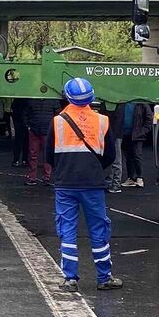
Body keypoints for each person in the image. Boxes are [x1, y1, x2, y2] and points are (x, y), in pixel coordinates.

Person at [46, 78, 122, 292]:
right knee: (99, 228)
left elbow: (49, 155)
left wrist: (63, 169)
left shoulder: (58, 121)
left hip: (65, 184)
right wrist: (94, 169)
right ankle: (104, 277)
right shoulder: (102, 121)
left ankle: (70, 278)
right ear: (92, 97)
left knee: (67, 228)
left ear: (67, 97)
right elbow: (110, 156)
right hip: (93, 184)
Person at [24, 98, 62, 185]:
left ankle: (32, 177)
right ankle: (46, 178)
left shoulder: (31, 100)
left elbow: (25, 113)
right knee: (46, 155)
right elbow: (58, 113)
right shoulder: (53, 100)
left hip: (35, 129)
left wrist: (28, 125)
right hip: (45, 130)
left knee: (33, 155)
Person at [121, 102, 152, 188]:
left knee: (137, 155)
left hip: (137, 134)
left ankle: (139, 177)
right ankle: (131, 178)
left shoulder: (141, 103)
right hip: (124, 134)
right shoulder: (122, 102)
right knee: (128, 156)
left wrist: (142, 132)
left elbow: (149, 119)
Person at [101, 104, 125, 194]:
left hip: (114, 134)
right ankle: (112, 181)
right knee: (112, 158)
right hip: (111, 134)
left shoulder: (119, 104)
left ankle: (116, 183)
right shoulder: (118, 104)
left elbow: (118, 121)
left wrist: (112, 136)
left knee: (116, 160)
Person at [10, 98, 29, 167]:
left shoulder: (17, 99)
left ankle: (16, 160)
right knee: (26, 142)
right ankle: (25, 160)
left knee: (18, 142)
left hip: (18, 121)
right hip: (25, 122)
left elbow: (12, 108)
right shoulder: (28, 100)